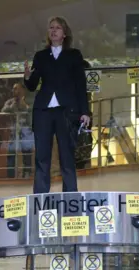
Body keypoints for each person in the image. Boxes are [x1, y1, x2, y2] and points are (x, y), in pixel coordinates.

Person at [23, 16, 90, 194]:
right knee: (42, 156)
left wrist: (85, 111)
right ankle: (40, 197)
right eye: (51, 28)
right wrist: (27, 76)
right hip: (43, 110)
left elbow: (80, 85)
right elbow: (32, 86)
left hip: (67, 110)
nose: (53, 31)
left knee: (67, 156)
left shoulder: (74, 55)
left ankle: (70, 198)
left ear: (65, 33)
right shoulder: (41, 56)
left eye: (57, 28)